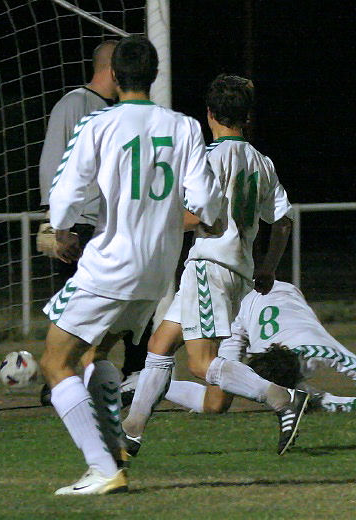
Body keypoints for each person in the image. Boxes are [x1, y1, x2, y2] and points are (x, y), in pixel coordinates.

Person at [39, 35, 223, 495]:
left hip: (112, 263)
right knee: (96, 355)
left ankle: (103, 467)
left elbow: (66, 191)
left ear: (116, 77)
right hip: (157, 270)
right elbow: (207, 199)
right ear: (155, 75)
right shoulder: (182, 126)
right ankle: (116, 444)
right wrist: (205, 221)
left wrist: (58, 229)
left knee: (54, 362)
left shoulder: (99, 123)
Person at [123, 74, 309, 459]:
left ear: (209, 115)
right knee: (159, 345)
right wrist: (269, 266)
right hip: (234, 268)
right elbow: (284, 220)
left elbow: (199, 217)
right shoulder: (262, 162)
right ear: (247, 117)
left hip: (211, 265)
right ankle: (131, 431)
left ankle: (281, 398)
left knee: (201, 363)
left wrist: (153, 219)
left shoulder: (207, 158)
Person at [36, 40, 150, 407]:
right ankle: (61, 380)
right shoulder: (74, 104)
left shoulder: (117, 110)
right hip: (81, 227)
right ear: (114, 68)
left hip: (114, 228)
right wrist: (56, 228)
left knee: (134, 299)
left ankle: (134, 372)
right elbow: (53, 165)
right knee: (76, 312)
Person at [162, 281, 356, 414]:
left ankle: (151, 384)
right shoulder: (263, 363)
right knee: (216, 402)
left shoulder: (317, 349)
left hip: (281, 294)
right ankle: (148, 384)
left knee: (217, 405)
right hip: (240, 309)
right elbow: (307, 399)